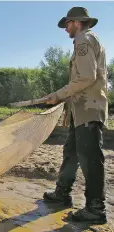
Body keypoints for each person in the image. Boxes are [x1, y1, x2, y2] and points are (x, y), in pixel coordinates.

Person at [42, 7, 108, 224]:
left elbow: (86, 77)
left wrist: (58, 95)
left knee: (90, 158)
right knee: (71, 152)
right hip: (80, 110)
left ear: (76, 22)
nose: (66, 29)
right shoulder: (89, 39)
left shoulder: (83, 39)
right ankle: (62, 193)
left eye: (67, 24)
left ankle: (95, 208)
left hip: (88, 109)